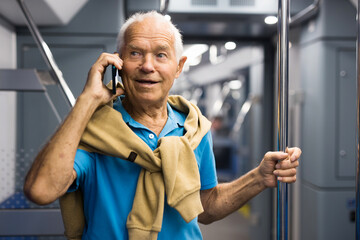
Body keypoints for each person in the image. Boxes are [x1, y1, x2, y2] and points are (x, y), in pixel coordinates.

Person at [23, 11, 301, 240]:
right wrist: (87, 101)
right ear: (118, 63)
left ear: (178, 67)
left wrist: (259, 178)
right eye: (134, 54)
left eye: (160, 55)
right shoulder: (94, 130)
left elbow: (204, 206)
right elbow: (41, 190)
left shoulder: (194, 129)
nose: (147, 65)